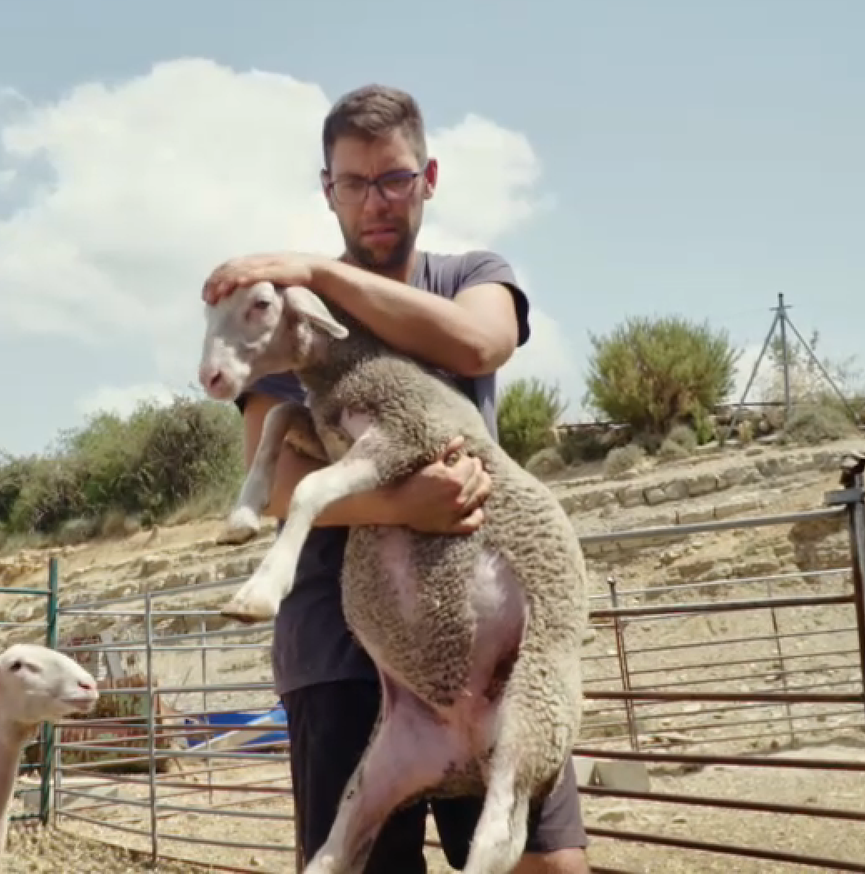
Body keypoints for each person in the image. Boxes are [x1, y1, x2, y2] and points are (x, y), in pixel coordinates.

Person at [200, 83, 591, 874]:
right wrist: (409, 504)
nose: (375, 200)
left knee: (547, 863)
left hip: (495, 641)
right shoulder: (289, 320)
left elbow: (480, 344)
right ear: (328, 189)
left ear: (429, 178)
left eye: (394, 178)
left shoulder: (471, 276)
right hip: (345, 651)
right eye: (354, 182)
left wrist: (319, 271)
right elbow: (276, 484)